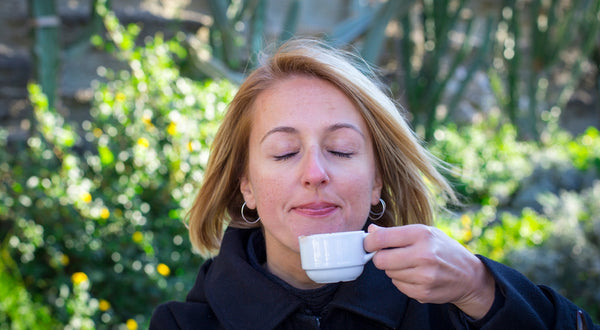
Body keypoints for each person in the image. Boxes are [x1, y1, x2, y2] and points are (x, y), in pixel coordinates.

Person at [150, 38, 598, 329]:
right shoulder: (184, 324)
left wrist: (481, 288)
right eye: (285, 152)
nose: (315, 173)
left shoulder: (452, 306)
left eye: (341, 150)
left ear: (377, 181)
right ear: (245, 185)